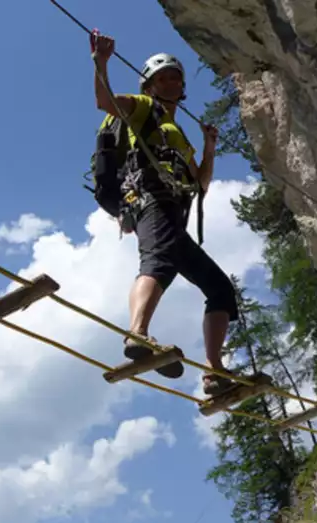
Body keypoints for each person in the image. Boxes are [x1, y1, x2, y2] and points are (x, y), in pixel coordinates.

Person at [91, 32, 238, 396]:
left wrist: (208, 146)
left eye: (176, 77)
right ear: (150, 85)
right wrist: (101, 62)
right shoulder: (144, 107)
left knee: (220, 289)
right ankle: (136, 333)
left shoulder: (180, 136)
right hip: (149, 199)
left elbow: (201, 184)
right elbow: (104, 102)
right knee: (158, 261)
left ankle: (214, 372)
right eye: (163, 77)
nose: (171, 82)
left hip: (174, 212)